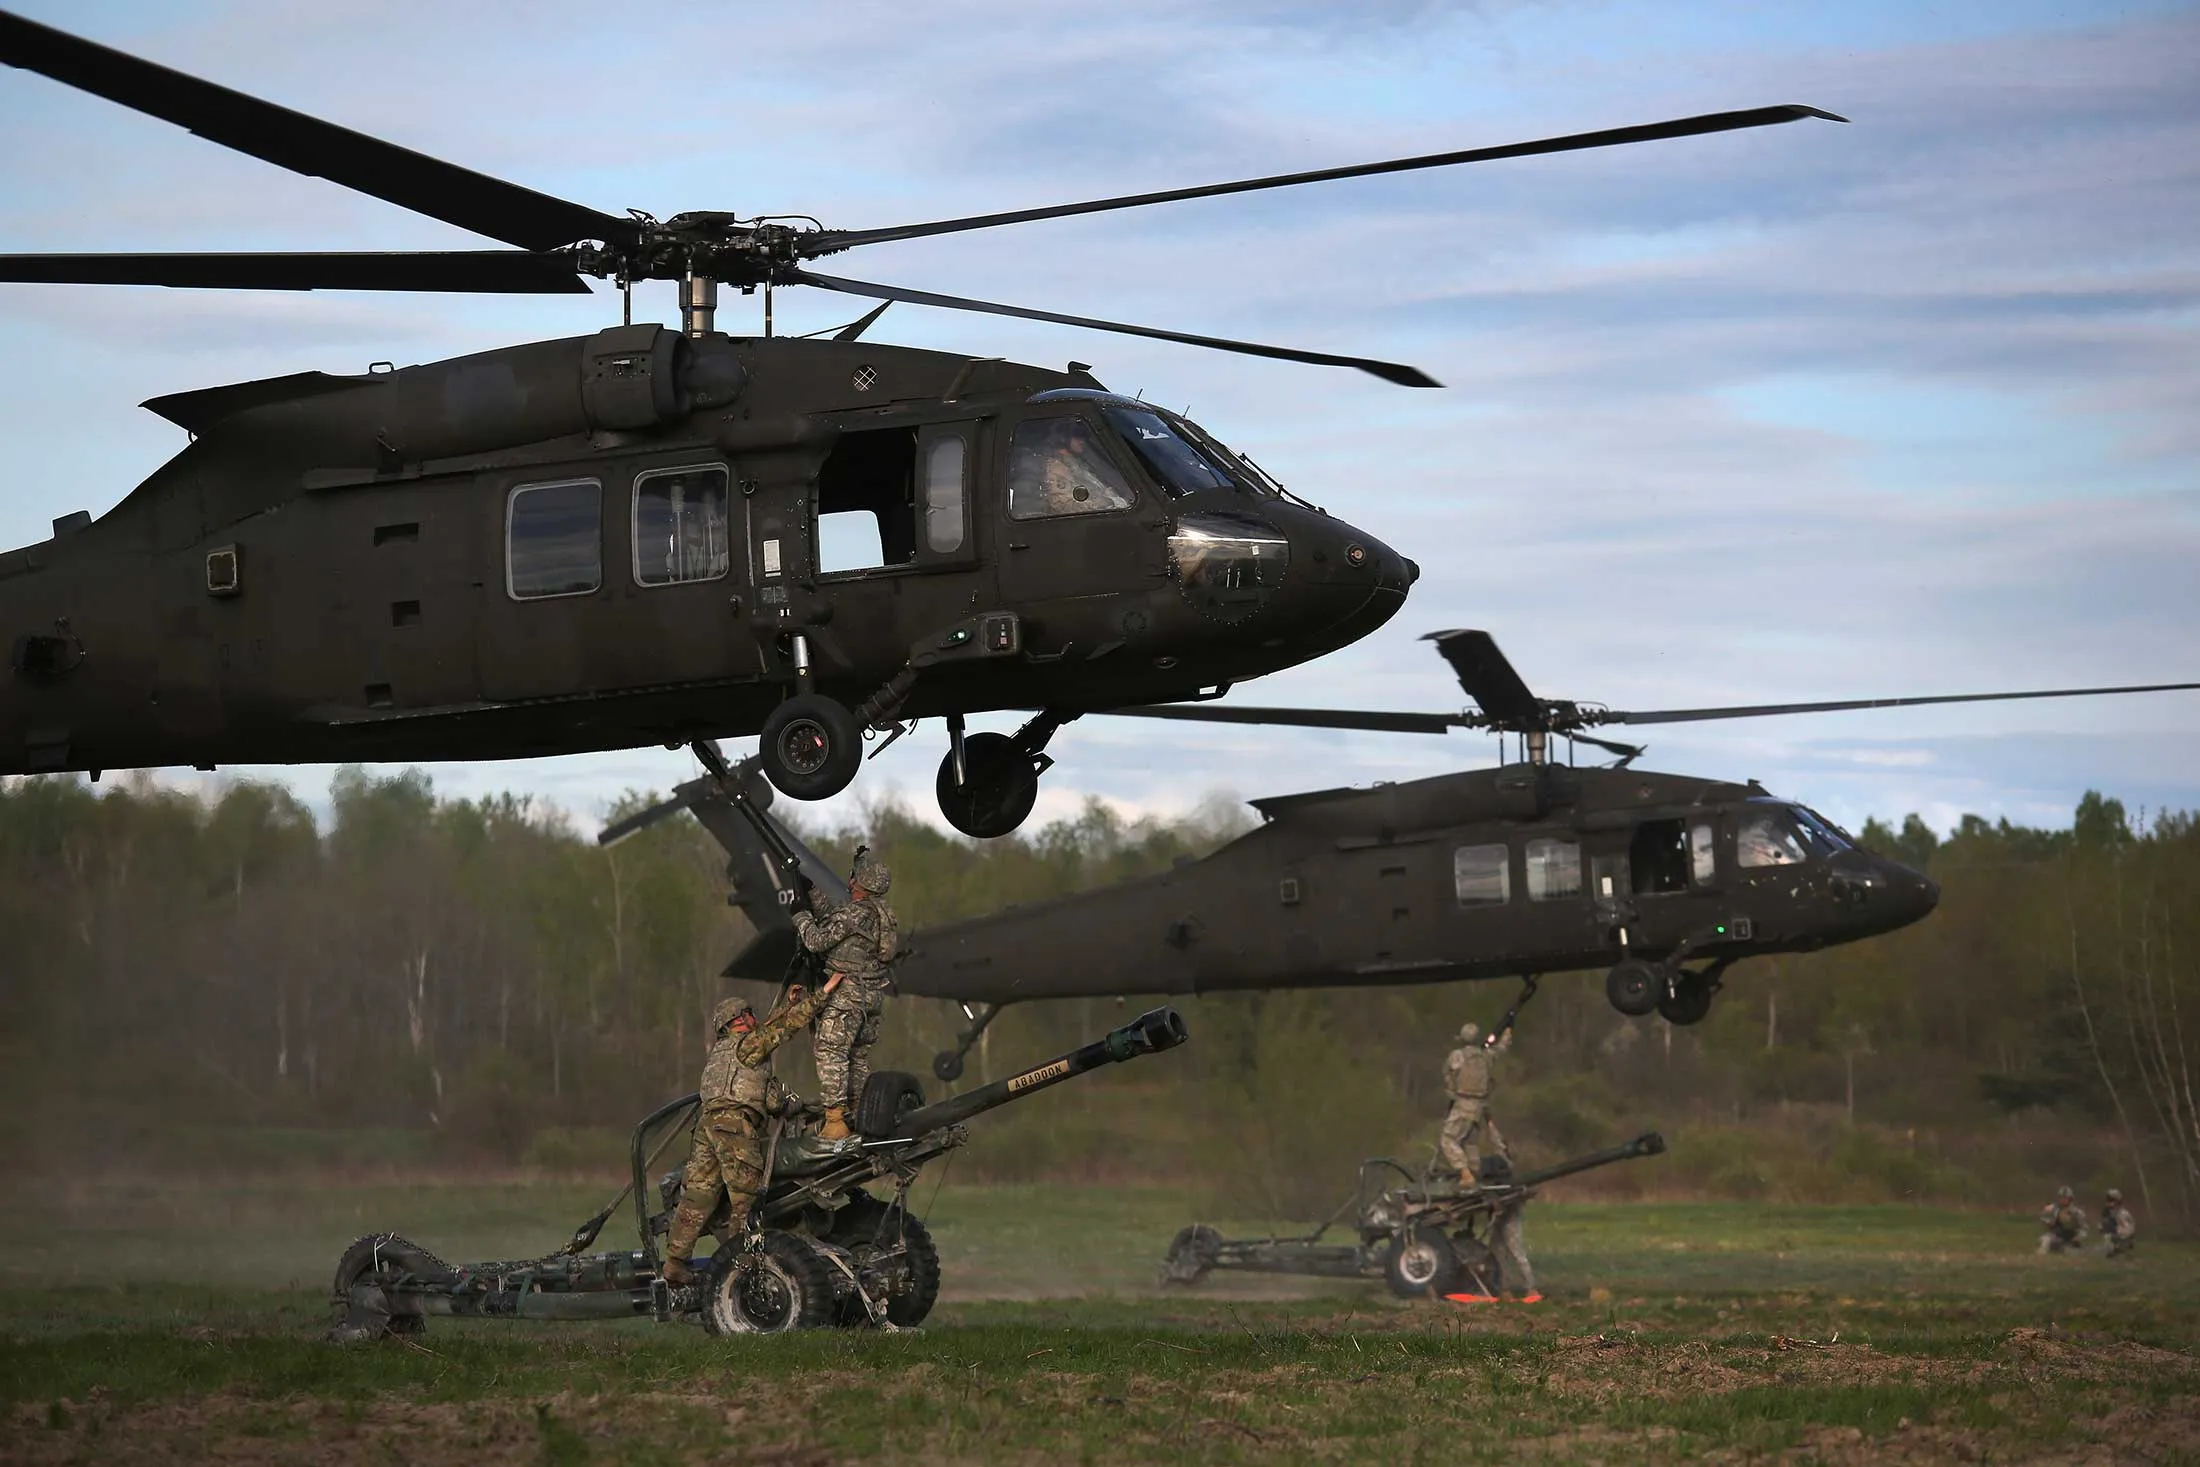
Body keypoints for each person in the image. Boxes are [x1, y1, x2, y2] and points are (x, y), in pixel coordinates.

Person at [662, 977, 840, 1288]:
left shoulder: (721, 1053)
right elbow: (783, 1029)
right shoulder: (747, 1046)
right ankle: (741, 1262)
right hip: (734, 1125)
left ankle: (675, 1262)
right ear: (739, 1019)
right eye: (748, 1014)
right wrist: (822, 994)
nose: (753, 1018)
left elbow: (769, 1031)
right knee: (744, 1197)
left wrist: (786, 1004)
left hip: (708, 1127)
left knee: (698, 1196)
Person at [795, 852, 901, 1142]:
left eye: (854, 876)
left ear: (860, 882)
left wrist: (801, 916)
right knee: (857, 1057)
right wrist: (811, 890)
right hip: (871, 997)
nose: (850, 880)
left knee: (831, 1051)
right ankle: (860, 1113)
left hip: (848, 997)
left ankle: (835, 1122)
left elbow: (817, 940)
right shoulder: (881, 914)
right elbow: (835, 920)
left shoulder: (855, 913)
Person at [1437, 1018, 1512, 1187]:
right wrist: (1507, 1033)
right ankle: (1475, 1171)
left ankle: (1466, 1175)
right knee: (1469, 1141)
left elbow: (1448, 1075)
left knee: (1447, 1139)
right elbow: (1501, 1048)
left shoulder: (1457, 1056)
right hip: (1480, 1107)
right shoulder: (1486, 1056)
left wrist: (1452, 1092)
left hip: (1463, 1103)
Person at [2037, 1184, 2087, 1255]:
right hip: (2058, 1236)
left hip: (2072, 1237)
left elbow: (2083, 1228)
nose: (2063, 1200)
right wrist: (2049, 1222)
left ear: (2070, 1199)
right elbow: (2043, 1218)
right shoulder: (2054, 1209)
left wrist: (2079, 1237)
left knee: (2072, 1251)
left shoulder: (2077, 1212)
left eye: (2065, 1198)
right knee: (2045, 1240)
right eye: (2061, 1198)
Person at [2100, 1188, 2137, 1258]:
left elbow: (2128, 1231)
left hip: (2124, 1238)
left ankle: (2119, 1249)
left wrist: (2116, 1236)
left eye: (2111, 1200)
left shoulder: (2123, 1214)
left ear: (2117, 1201)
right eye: (2108, 1200)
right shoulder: (2109, 1213)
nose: (2108, 1202)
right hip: (2116, 1237)